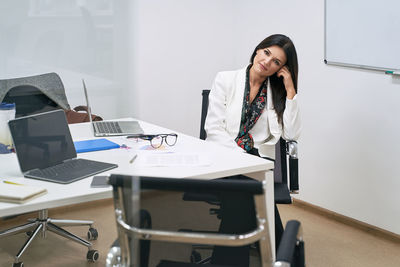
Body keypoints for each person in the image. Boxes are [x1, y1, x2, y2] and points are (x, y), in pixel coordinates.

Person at [204, 34, 301, 266]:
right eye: (267, 53)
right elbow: (213, 129)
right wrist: (242, 159)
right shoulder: (226, 79)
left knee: (243, 203)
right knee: (252, 199)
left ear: (281, 68)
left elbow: (291, 134)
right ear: (258, 50)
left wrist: (290, 91)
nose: (268, 62)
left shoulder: (275, 92)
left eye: (276, 62)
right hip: (225, 156)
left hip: (256, 161)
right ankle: (285, 257)